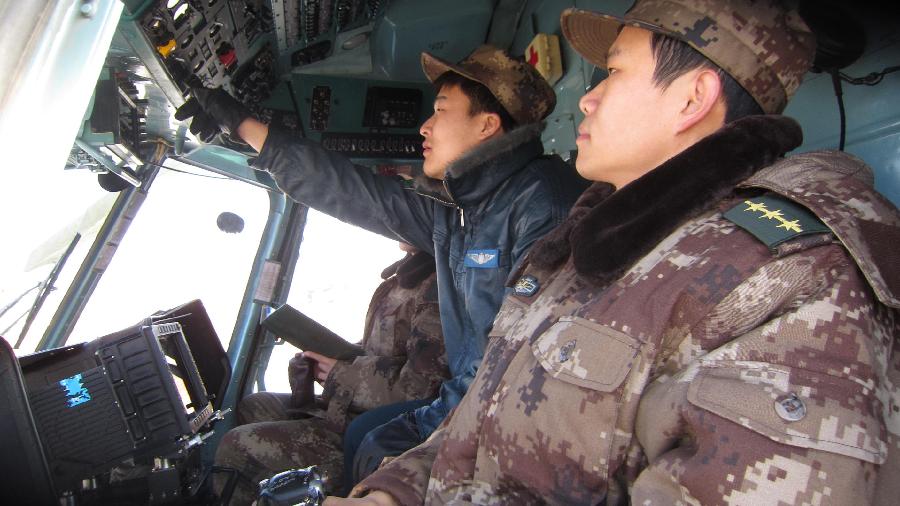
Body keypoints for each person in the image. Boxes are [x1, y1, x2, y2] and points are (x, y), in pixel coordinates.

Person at [329, 1, 900, 504]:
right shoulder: (580, 247)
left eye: (614, 72)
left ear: (692, 99)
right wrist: (392, 494)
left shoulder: (795, 280)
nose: (588, 98)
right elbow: (480, 414)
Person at [177, 45, 587, 500]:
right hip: (468, 405)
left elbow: (523, 370)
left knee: (375, 443)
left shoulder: (543, 205)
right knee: (368, 439)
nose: (425, 127)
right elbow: (359, 194)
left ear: (487, 125)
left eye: (440, 111)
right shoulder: (462, 210)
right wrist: (246, 128)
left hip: (505, 422)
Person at [214, 246, 448, 503]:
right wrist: (324, 359)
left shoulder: (436, 288)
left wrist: (339, 374)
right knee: (253, 405)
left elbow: (421, 389)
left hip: (375, 429)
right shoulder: (404, 277)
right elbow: (379, 349)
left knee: (236, 446)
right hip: (351, 407)